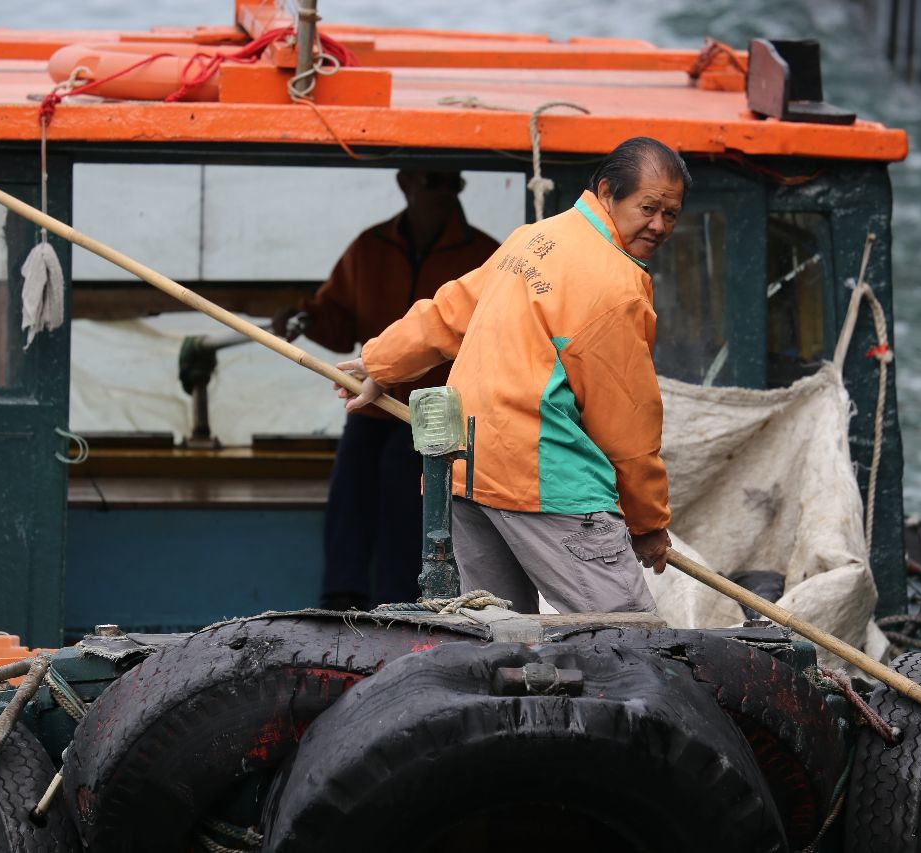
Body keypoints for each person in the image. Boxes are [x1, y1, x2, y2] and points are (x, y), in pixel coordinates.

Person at [334, 137, 690, 614]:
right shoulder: (614, 285)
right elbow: (627, 424)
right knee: (629, 640)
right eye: (649, 208)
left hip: (464, 475)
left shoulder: (533, 239)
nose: (659, 225)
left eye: (671, 214)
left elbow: (451, 310)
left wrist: (382, 363)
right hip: (542, 481)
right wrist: (647, 524)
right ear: (608, 192)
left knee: (498, 639)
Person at [274, 170, 500, 611]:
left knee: (410, 513)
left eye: (454, 184)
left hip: (436, 415)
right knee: (348, 504)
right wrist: (307, 319)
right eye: (435, 182)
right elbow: (338, 319)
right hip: (371, 406)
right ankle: (340, 607)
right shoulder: (370, 248)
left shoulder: (483, 255)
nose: (448, 193)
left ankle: (405, 609)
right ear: (406, 182)